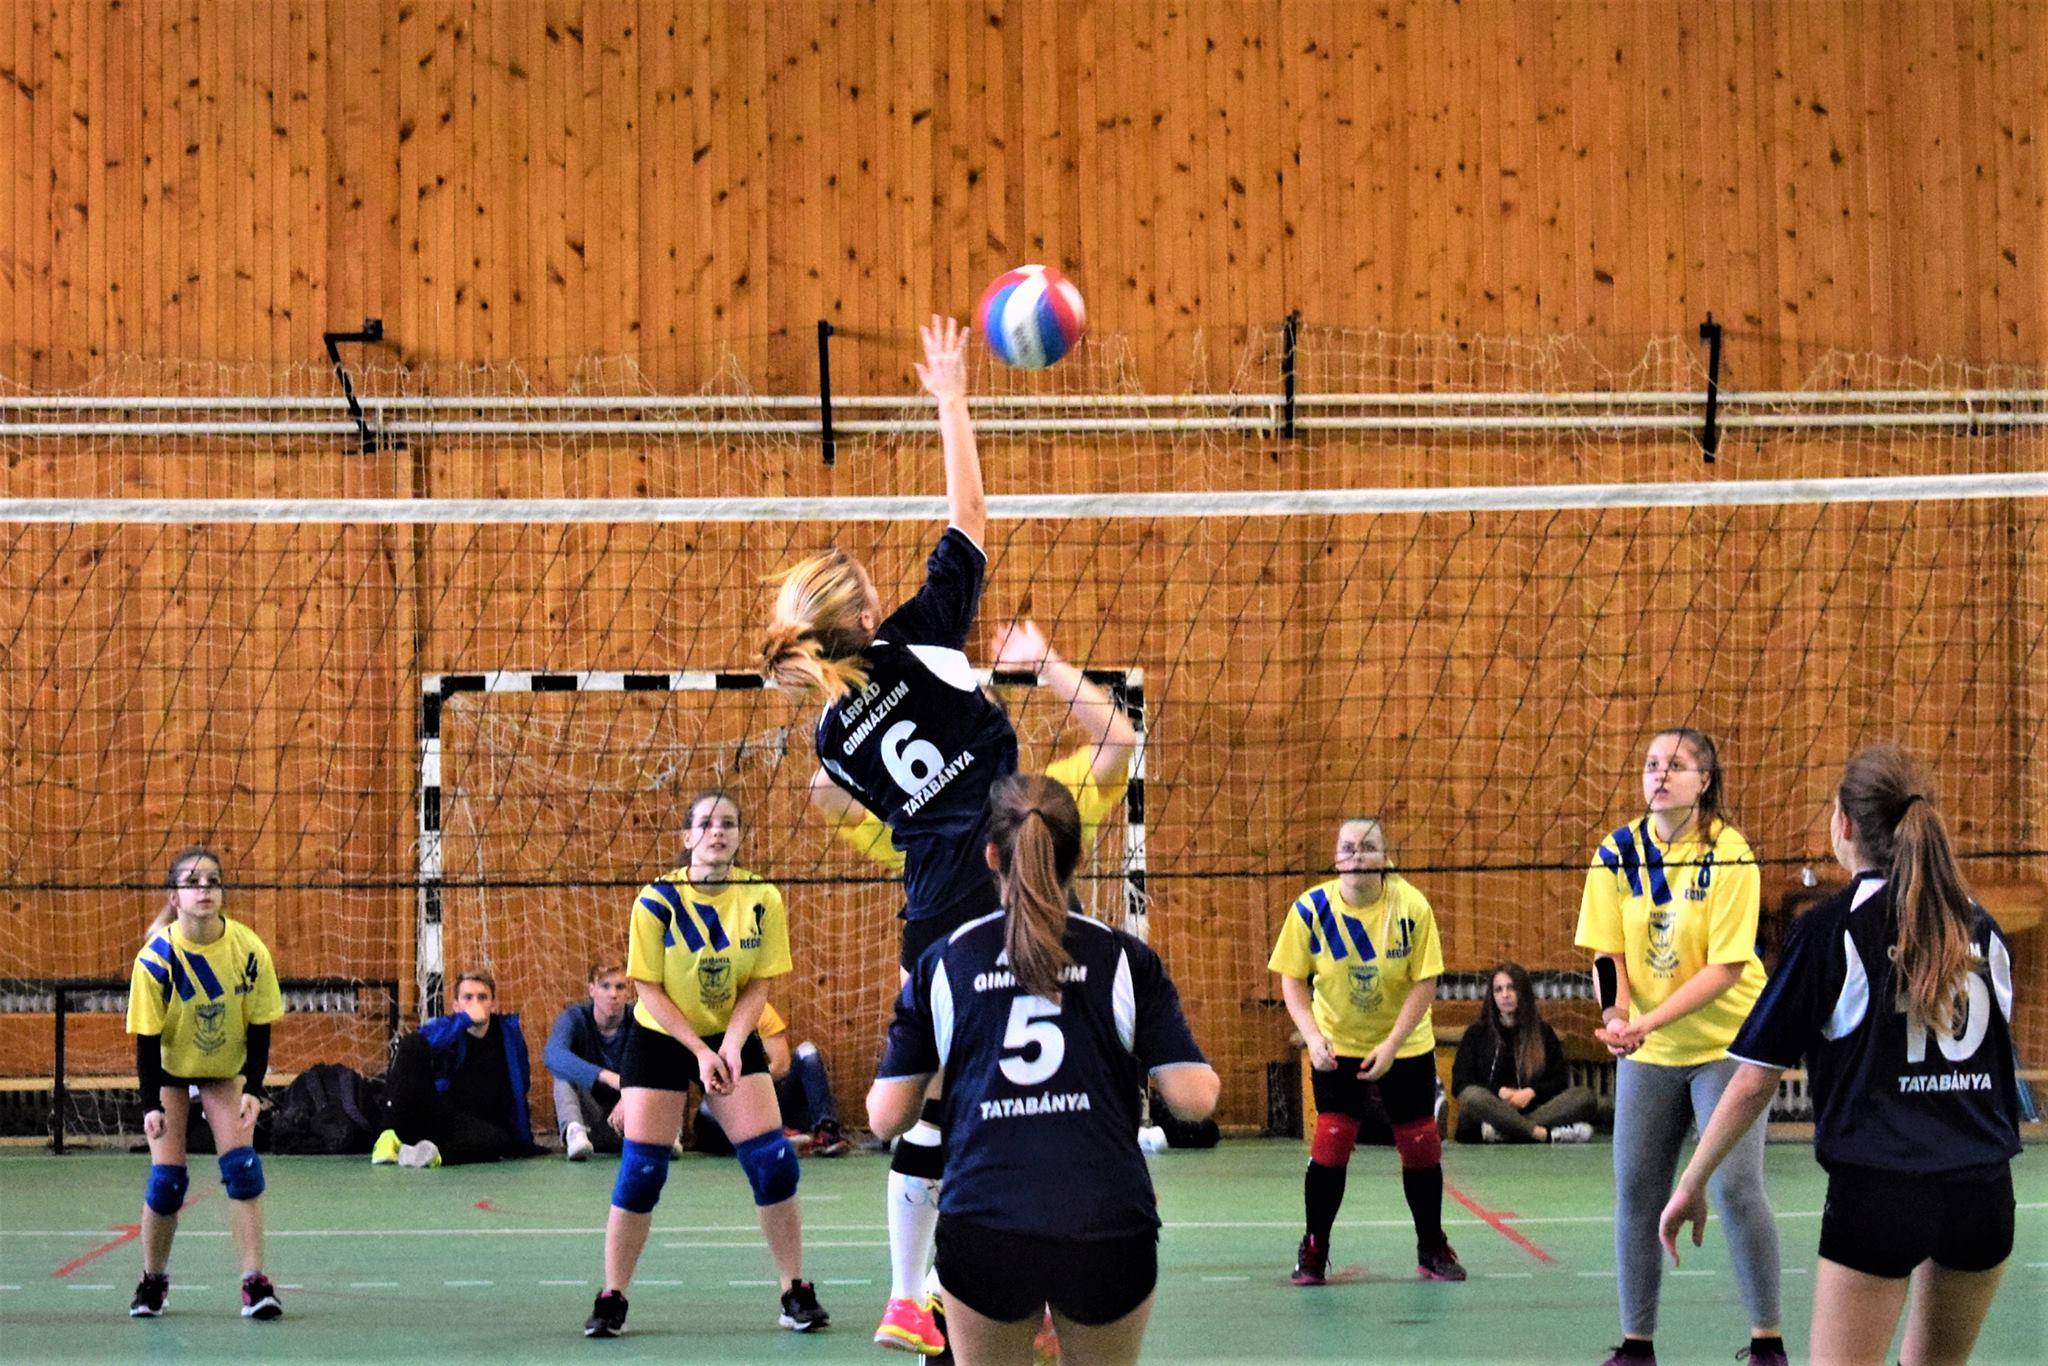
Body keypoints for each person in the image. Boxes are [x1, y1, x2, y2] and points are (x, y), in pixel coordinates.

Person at [762, 315, 1018, 1356]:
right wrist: (951, 398)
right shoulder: (920, 639)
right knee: (1010, 1102)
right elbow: (972, 515)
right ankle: (995, 1294)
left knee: (928, 1106)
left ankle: (910, 1294)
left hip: (927, 914)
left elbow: (870, 800)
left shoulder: (829, 731)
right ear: (864, 613)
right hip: (1002, 891)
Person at [1661, 744, 2023, 1365]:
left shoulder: (1831, 928)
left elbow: (1753, 1081)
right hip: (1983, 1192)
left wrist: (1692, 1181)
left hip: (1880, 1190)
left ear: (1845, 825)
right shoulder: (1981, 927)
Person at [867, 775, 1220, 1366]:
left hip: (986, 1223)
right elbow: (1194, 1100)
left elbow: (885, 1119)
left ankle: (906, 1297)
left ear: (990, 857)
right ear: (1078, 859)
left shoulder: (945, 962)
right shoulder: (1124, 959)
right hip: (1107, 1223)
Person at [582, 790, 827, 1339]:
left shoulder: (761, 897)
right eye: (707, 823)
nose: (718, 832)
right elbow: (646, 987)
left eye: (729, 823)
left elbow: (759, 982)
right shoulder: (656, 900)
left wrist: (733, 1044)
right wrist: (698, 1050)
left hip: (729, 1030)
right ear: (687, 836)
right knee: (642, 1170)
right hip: (660, 1033)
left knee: (773, 1162)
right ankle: (612, 1296)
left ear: (740, 836)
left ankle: (794, 1290)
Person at [1575, 727, 1783, 1366]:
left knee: (1736, 1188)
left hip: (1729, 1045)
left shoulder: (1729, 853)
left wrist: (1647, 1022)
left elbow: (1726, 969)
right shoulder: (1617, 852)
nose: (1660, 775)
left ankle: (1767, 1343)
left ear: (1705, 781)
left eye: (1676, 765)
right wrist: (1616, 1014)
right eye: (1651, 764)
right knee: (1637, 1191)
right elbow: (1608, 951)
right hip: (1651, 1052)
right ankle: (1636, 1346)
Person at [1269, 816, 1464, 1285]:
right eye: (1348, 848)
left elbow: (1425, 982)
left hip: (1404, 1042)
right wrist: (1313, 1037)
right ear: (1336, 859)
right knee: (1331, 1140)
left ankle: (1431, 1245)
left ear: (1385, 858)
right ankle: (1314, 1246)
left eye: (1368, 847)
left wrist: (1393, 1045)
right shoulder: (1311, 909)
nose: (1357, 856)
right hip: (1338, 1043)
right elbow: (1292, 980)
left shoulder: (1411, 906)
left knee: (1420, 1144)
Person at [125, 845, 286, 1320]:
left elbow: (259, 1027)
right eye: (192, 882)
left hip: (224, 1070)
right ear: (174, 896)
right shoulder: (155, 960)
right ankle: (153, 1281)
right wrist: (150, 1105)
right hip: (170, 1072)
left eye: (212, 881)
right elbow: (146, 1041)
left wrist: (253, 1089)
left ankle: (255, 1283)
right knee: (166, 1183)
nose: (204, 890)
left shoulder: (248, 950)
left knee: (243, 1171)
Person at [371, 968, 542, 1168]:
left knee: (497, 1141)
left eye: (482, 997)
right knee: (412, 1043)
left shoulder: (509, 1036)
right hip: (440, 1116)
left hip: (480, 1127)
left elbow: (521, 1085)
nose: (475, 1003)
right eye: (468, 997)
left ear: (493, 1003)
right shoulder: (448, 1027)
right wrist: (465, 1020)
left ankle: (429, 1155)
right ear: (456, 1005)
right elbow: (420, 1044)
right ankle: (388, 1136)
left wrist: (523, 1139)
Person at [1450, 961, 1597, 1143]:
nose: (1505, 995)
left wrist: (1530, 1092)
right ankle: (1540, 1133)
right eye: (1498, 989)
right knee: (1471, 1096)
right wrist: (1499, 1092)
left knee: (1585, 1097)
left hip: (1532, 1109)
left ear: (1523, 992)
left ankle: (1505, 1132)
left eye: (1511, 988)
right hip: (1488, 1113)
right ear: (1492, 996)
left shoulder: (1542, 1032)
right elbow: (1460, 1083)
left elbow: (1559, 1080)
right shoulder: (1476, 1033)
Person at [693, 1001, 852, 1158]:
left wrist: (746, 1084)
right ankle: (772, 1137)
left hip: (768, 1098)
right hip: (726, 1104)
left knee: (807, 1051)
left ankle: (826, 1131)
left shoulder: (759, 1010)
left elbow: (781, 1065)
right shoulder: (703, 1019)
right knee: (707, 1111)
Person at [545, 961, 636, 1160]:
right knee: (563, 1070)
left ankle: (667, 1134)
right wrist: (606, 1076)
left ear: (628, 991)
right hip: (591, 1120)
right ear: (591, 990)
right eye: (605, 986)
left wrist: (629, 1094)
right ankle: (574, 1133)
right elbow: (553, 1054)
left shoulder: (638, 1019)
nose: (613, 994)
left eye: (620, 987)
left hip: (633, 1117)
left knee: (664, 1063)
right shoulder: (575, 1018)